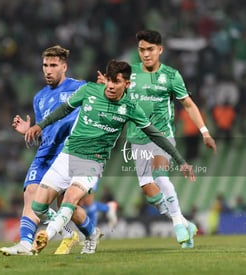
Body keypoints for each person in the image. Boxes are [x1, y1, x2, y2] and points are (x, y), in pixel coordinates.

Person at [25, 60, 195, 255]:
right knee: (38, 207)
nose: (112, 86)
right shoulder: (89, 91)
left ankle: (47, 234)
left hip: (92, 162)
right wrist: (40, 125)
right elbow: (64, 109)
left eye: (117, 81)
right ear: (105, 79)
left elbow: (156, 135)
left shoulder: (130, 108)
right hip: (67, 155)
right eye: (109, 80)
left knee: (69, 200)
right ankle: (92, 234)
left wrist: (180, 161)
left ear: (127, 84)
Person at [125, 30, 217, 248]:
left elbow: (188, 104)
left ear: (160, 50)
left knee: (160, 175)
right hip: (137, 137)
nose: (146, 54)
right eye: (141, 50)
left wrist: (204, 131)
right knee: (148, 190)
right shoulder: (130, 74)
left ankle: (178, 224)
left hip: (163, 135)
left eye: (150, 49)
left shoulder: (171, 75)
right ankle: (186, 222)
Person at [0, 45, 86, 256]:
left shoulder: (81, 87)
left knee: (64, 204)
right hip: (46, 152)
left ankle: (84, 233)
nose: (48, 70)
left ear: (64, 66)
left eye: (53, 65)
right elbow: (45, 129)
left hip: (69, 152)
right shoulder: (39, 97)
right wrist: (29, 131)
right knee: (30, 193)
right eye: (45, 65)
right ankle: (26, 244)